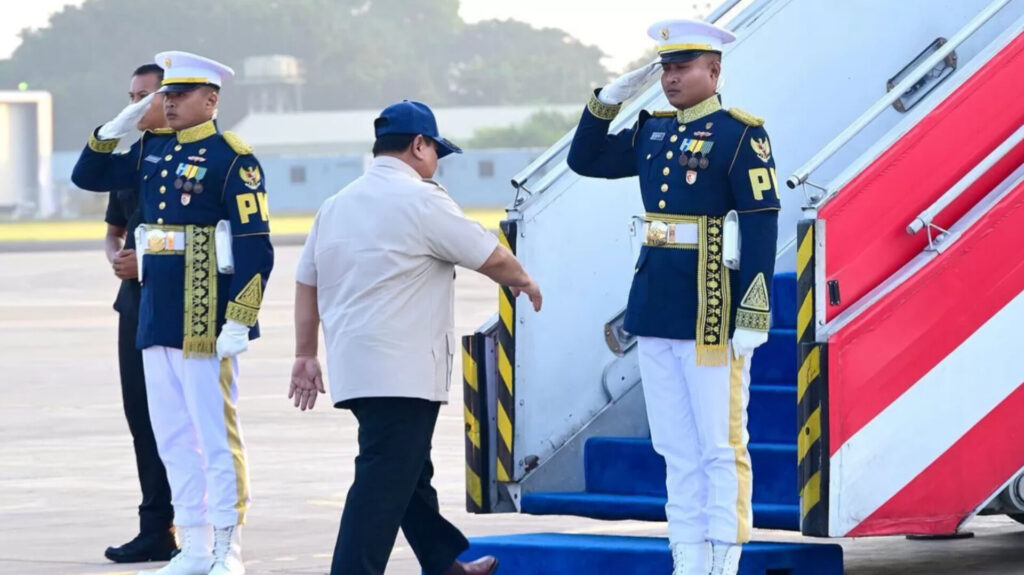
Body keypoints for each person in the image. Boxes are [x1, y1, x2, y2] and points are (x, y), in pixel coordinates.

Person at [290, 100, 542, 575]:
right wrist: (523, 280)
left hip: (356, 370)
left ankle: (443, 563)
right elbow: (488, 253)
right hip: (403, 371)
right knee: (382, 483)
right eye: (435, 151)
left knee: (408, 472)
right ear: (419, 145)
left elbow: (307, 281)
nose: (436, 163)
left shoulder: (336, 205)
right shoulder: (421, 198)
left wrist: (305, 354)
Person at [566, 19, 780, 575]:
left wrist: (753, 310)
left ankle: (725, 560)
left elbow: (760, 224)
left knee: (720, 444)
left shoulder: (740, 134)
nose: (670, 78)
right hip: (656, 305)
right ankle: (687, 557)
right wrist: (606, 102)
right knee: (675, 448)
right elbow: (584, 160)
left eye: (682, 67)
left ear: (714, 71)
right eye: (664, 68)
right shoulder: (652, 132)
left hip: (710, 308)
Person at [72, 50, 274, 575]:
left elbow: (256, 246)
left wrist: (240, 317)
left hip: (206, 315)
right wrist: (127, 120)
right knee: (172, 438)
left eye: (180, 95)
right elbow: (88, 173)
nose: (170, 104)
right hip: (157, 312)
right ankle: (194, 545)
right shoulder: (150, 152)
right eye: (167, 95)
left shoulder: (233, 158)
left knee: (215, 436)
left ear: (211, 100)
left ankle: (227, 546)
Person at [72, 63, 179, 564]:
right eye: (130, 97)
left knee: (184, 422)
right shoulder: (132, 162)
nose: (136, 106)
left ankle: (202, 527)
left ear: (173, 98)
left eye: (147, 97)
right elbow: (113, 225)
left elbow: (230, 240)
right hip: (134, 304)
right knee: (142, 419)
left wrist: (150, 256)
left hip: (182, 308)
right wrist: (117, 258)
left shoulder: (204, 157)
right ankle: (156, 526)